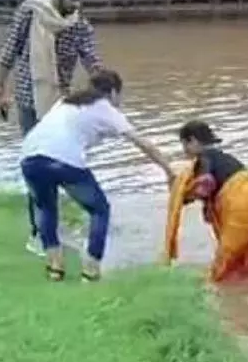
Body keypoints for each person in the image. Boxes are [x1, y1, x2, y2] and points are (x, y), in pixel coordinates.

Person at [19, 70, 175, 282]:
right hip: (63, 158)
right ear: (112, 92)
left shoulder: (66, 101)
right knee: (99, 209)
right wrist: (169, 170)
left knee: (46, 208)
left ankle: (55, 268)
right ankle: (90, 270)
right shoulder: (106, 109)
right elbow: (143, 144)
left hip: (29, 156)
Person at [0, 0, 103, 255]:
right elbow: (8, 51)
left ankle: (49, 230)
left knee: (59, 164)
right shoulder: (30, 13)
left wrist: (104, 93)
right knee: (38, 167)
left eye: (81, 0)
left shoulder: (79, 26)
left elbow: (92, 62)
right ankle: (38, 234)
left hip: (58, 106)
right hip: (29, 102)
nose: (77, 5)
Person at [164, 121, 248, 282]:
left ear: (193, 141)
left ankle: (228, 299)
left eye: (184, 145)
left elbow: (205, 185)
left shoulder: (203, 158)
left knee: (221, 271)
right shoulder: (225, 158)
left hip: (243, 204)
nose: (185, 151)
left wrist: (178, 192)